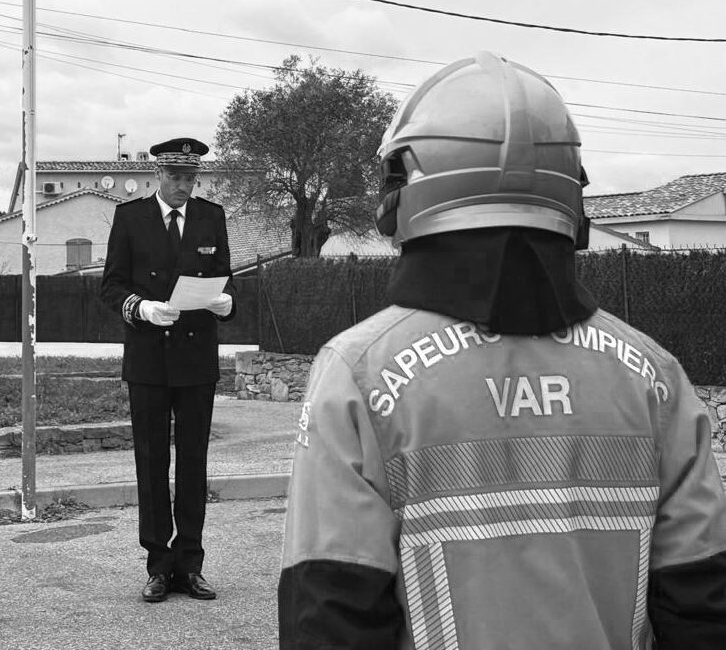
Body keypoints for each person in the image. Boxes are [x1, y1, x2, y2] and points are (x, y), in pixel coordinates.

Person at [278, 51, 726, 649]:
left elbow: (329, 610)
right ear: (572, 195)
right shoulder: (654, 373)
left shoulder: (358, 374)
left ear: (404, 193)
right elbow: (704, 602)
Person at [101, 136, 236, 603]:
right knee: (152, 462)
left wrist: (225, 302)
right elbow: (111, 286)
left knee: (194, 464)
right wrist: (139, 309)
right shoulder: (130, 217)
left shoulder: (210, 216)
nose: (183, 186)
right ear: (158, 174)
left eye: (191, 178)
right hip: (149, 358)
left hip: (197, 358)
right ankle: (158, 565)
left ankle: (191, 564)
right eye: (176, 177)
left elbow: (224, 275)